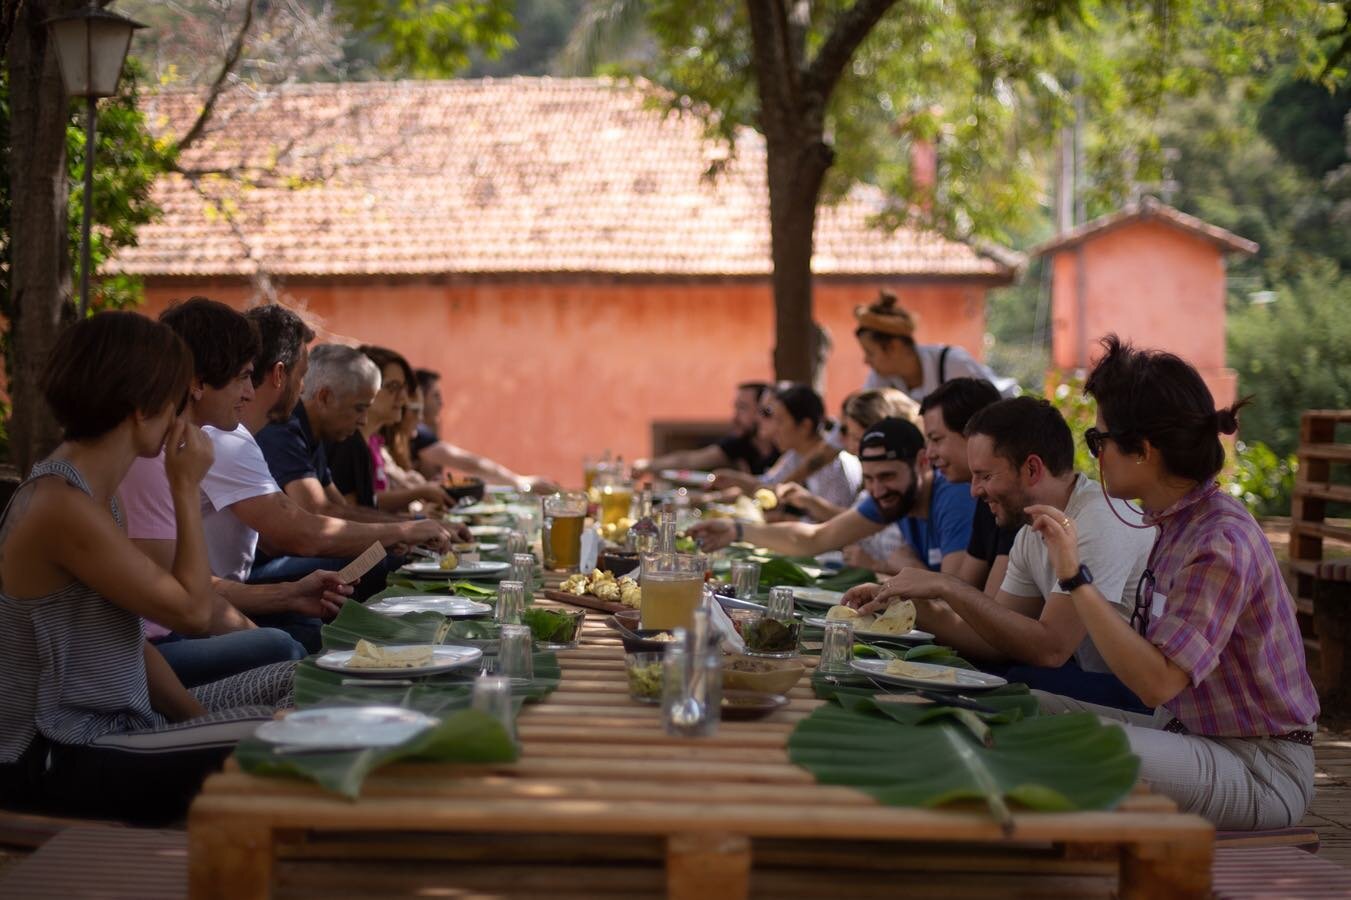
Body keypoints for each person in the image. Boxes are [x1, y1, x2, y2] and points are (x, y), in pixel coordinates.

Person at [0, 312, 293, 824]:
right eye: (175, 398)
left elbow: (128, 641)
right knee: (284, 737)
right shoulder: (59, 506)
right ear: (141, 407)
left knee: (296, 679)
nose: (183, 414)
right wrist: (184, 487)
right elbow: (195, 614)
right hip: (62, 752)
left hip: (122, 725)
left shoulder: (92, 496)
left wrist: (198, 724)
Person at [1025, 336, 1318, 829]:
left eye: (1099, 441)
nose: (1093, 454)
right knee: (1017, 706)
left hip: (1261, 767)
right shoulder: (1173, 520)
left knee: (1072, 745)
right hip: (1189, 734)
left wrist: (1075, 577)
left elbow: (1156, 682)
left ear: (1143, 450)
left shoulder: (1218, 541)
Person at [847, 397, 1155, 711]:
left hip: (1141, 700)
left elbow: (1051, 649)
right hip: (1094, 683)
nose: (974, 491)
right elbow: (992, 641)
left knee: (1006, 685)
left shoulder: (1098, 520)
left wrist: (944, 585)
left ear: (1033, 468)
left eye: (985, 476)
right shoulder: (1029, 531)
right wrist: (898, 601)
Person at [118, 298, 339, 682]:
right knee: (285, 649)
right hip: (152, 650)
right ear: (198, 383)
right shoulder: (151, 459)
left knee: (293, 642)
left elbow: (198, 586)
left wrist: (287, 597)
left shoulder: (189, 446)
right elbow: (187, 608)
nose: (250, 393)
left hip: (175, 630)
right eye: (241, 377)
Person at [690, 417, 975, 576]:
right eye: (871, 479)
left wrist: (902, 567)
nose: (877, 490)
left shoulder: (954, 495)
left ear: (923, 463)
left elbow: (949, 598)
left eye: (887, 476)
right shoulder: (894, 496)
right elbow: (814, 537)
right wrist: (736, 530)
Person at [778, 388, 916, 572]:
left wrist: (878, 566)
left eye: (856, 438)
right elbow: (845, 524)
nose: (849, 445)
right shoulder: (875, 487)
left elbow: (930, 580)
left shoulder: (911, 491)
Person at [916, 377, 1015, 595]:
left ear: (974, 432)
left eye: (936, 439)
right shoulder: (984, 497)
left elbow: (992, 615)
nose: (930, 454)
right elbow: (957, 593)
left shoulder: (1013, 501)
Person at [329, 345, 446, 512]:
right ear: (366, 387)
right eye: (393, 387)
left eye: (404, 389)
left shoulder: (369, 442)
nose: (404, 399)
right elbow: (351, 514)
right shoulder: (344, 442)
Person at [715, 384, 861, 518]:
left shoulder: (835, 466)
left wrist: (789, 520)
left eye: (780, 421)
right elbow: (771, 485)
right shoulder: (795, 455)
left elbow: (843, 523)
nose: (774, 429)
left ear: (805, 426)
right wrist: (735, 480)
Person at [411, 367, 559, 492]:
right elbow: (469, 463)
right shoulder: (418, 433)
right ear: (419, 399)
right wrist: (520, 482)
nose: (441, 403)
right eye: (435, 396)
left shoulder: (428, 429)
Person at [854, 291, 1016, 402]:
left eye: (870, 353)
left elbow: (991, 411)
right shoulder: (882, 378)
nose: (866, 361)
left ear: (894, 346)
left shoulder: (953, 364)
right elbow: (863, 414)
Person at [633, 381, 779, 477]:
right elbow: (690, 460)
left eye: (743, 408)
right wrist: (648, 465)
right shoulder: (742, 442)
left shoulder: (785, 446)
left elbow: (772, 486)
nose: (735, 417)